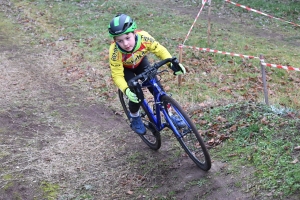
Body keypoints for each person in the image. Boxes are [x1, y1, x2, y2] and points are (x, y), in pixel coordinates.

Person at [108, 14, 186, 135]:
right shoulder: (114, 51)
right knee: (136, 95)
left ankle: (169, 115)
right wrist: (126, 90)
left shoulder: (144, 37)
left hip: (140, 63)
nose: (126, 44)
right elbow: (117, 75)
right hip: (125, 69)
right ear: (115, 41)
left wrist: (172, 64)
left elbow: (159, 50)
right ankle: (134, 116)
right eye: (120, 41)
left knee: (157, 89)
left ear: (134, 33)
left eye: (128, 38)